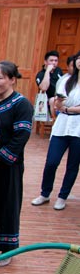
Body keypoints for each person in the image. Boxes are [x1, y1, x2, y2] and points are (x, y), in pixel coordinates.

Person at [0, 61, 33, 266]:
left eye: (0, 77)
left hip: (8, 164)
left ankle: (7, 248)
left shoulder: (21, 104)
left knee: (7, 205)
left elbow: (21, 136)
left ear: (12, 80)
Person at [31, 51, 80, 211]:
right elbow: (58, 103)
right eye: (78, 59)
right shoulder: (65, 80)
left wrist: (67, 107)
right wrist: (66, 107)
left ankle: (62, 196)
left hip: (78, 128)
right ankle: (45, 193)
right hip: (62, 124)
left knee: (73, 165)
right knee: (52, 162)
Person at [35, 50, 63, 119]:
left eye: (56, 61)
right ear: (45, 62)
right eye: (51, 60)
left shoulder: (58, 71)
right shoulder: (40, 74)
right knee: (52, 100)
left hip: (60, 98)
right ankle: (55, 120)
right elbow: (44, 88)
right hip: (47, 101)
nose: (54, 63)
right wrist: (47, 71)